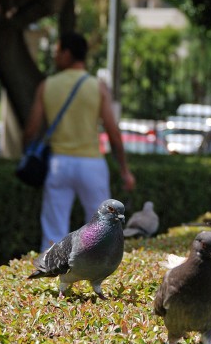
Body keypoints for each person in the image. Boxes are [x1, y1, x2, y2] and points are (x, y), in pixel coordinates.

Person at [24, 31, 136, 252]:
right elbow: (113, 132)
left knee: (53, 230)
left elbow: (31, 129)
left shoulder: (47, 85)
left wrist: (27, 152)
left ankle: (51, 281)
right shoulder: (97, 86)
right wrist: (124, 170)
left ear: (67, 53)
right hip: (92, 164)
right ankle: (96, 278)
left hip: (58, 164)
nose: (55, 57)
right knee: (101, 228)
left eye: (57, 52)